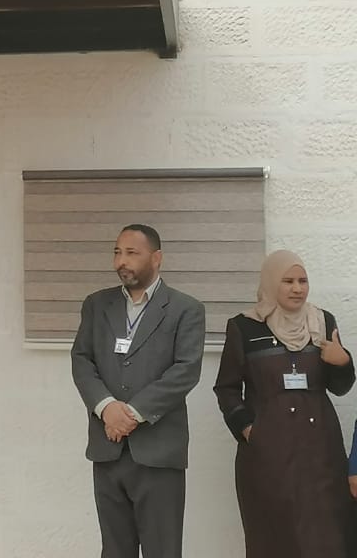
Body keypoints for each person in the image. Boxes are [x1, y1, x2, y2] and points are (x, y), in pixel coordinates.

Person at [70, 224, 205, 558]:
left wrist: (131, 413)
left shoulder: (185, 309)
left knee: (163, 550)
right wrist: (106, 407)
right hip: (108, 448)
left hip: (159, 452)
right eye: (117, 252)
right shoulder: (97, 304)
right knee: (115, 550)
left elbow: (186, 370)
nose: (121, 261)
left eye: (132, 253)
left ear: (156, 258)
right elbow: (82, 360)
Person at [213, 250, 353, 557]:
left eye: (303, 281)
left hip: (321, 453)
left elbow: (340, 387)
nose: (297, 288)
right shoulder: (245, 327)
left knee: (327, 535)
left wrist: (342, 361)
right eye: (288, 281)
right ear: (271, 282)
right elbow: (226, 388)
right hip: (268, 456)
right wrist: (249, 430)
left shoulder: (323, 321)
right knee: (276, 537)